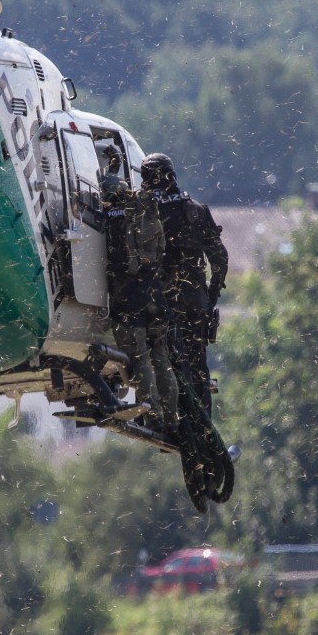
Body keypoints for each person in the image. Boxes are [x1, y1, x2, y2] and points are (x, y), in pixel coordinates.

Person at [139, 152, 228, 417]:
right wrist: (210, 295)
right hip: (197, 298)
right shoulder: (198, 210)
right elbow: (220, 260)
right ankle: (203, 427)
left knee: (170, 364)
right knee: (199, 365)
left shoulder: (147, 213)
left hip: (163, 301)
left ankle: (174, 423)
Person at [100, 147, 178, 431]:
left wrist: (110, 172)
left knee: (141, 360)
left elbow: (111, 192)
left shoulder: (111, 213)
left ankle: (153, 416)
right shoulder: (146, 206)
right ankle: (172, 417)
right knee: (162, 360)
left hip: (128, 299)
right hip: (156, 296)